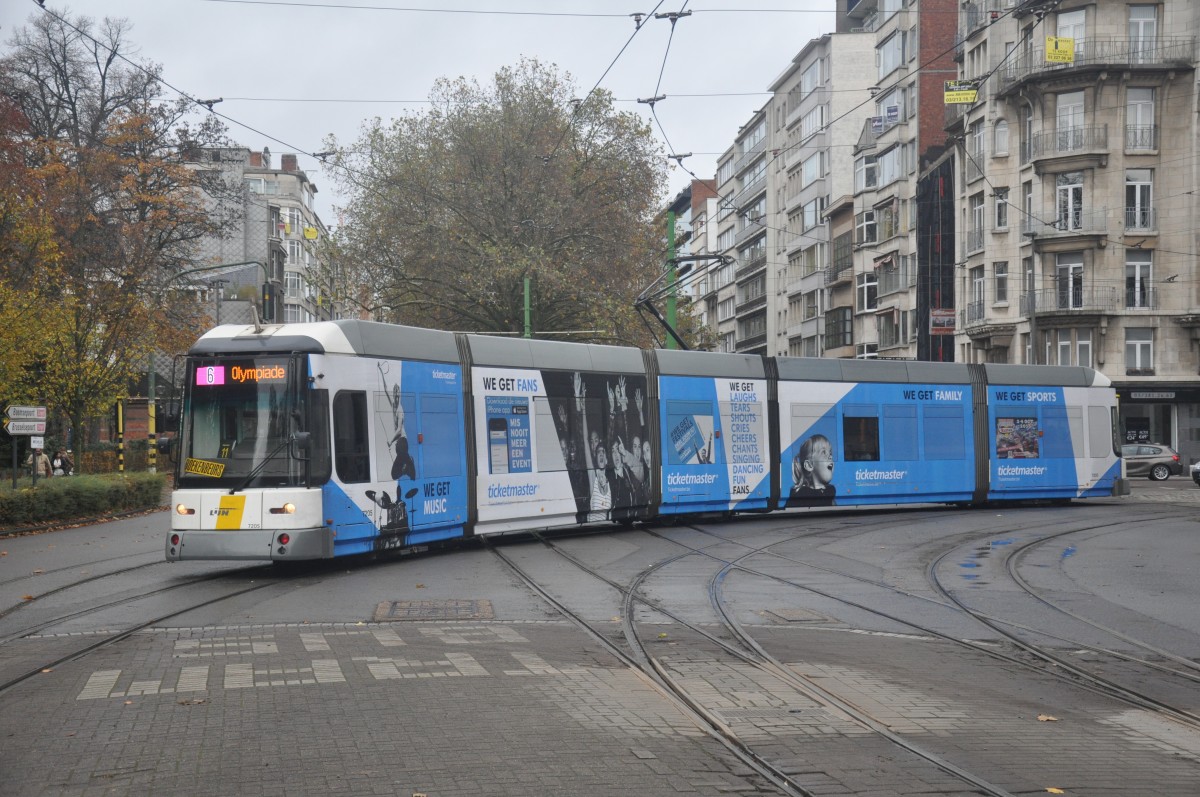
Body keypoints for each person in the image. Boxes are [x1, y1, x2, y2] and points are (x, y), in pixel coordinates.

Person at [787, 434, 836, 507]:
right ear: (809, 465)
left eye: (830, 452)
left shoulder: (830, 491)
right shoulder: (800, 495)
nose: (830, 456)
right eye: (823, 452)